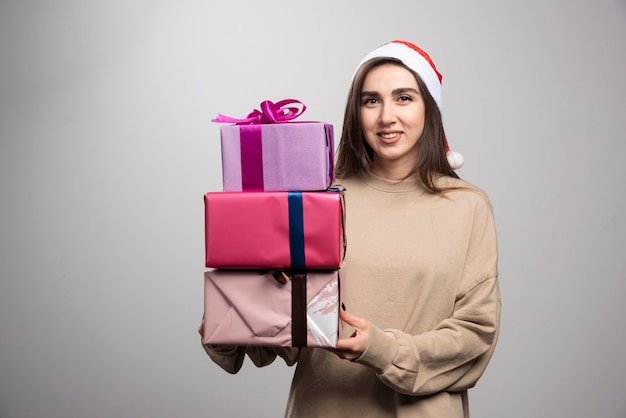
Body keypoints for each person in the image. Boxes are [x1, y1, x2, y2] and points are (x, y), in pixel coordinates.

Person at [200, 40, 501, 418]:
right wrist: (233, 309)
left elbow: (476, 337)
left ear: (430, 109)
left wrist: (381, 349)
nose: (386, 116)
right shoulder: (318, 199)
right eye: (371, 100)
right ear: (356, 112)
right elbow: (286, 336)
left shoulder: (466, 205)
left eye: (404, 98)